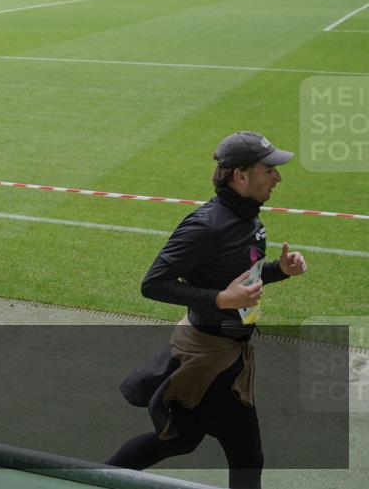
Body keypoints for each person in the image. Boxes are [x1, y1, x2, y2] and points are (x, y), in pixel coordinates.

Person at [106, 131, 308, 489]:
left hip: (225, 349)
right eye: (269, 169)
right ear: (240, 176)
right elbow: (152, 283)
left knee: (181, 439)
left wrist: (280, 270)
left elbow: (242, 276)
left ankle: (94, 479)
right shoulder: (205, 225)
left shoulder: (247, 217)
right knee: (248, 458)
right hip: (212, 358)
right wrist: (219, 300)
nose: (278, 177)